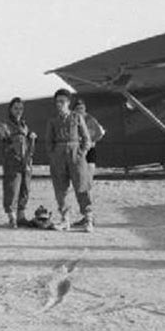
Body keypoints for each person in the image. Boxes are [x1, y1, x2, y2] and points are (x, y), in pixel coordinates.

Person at [44, 89, 94, 232]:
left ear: (68, 102)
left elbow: (86, 139)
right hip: (59, 156)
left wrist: (81, 153)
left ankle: (88, 219)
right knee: (61, 188)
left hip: (75, 154)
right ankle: (65, 220)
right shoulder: (52, 121)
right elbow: (48, 142)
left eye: (62, 101)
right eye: (57, 101)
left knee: (82, 186)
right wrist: (53, 155)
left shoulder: (76, 117)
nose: (59, 104)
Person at [0, 97, 37, 228]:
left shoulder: (24, 125)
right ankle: (12, 217)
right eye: (16, 108)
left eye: (21, 108)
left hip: (25, 161)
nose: (18, 111)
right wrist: (2, 137)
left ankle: (21, 216)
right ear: (10, 109)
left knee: (25, 188)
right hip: (12, 160)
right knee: (12, 188)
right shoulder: (5, 124)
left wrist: (31, 136)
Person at [73, 98, 106, 184]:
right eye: (78, 108)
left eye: (82, 108)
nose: (80, 110)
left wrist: (92, 141)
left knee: (90, 166)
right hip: (77, 148)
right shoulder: (71, 120)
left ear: (85, 109)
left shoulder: (90, 119)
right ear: (74, 110)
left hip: (89, 148)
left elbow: (99, 133)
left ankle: (87, 183)